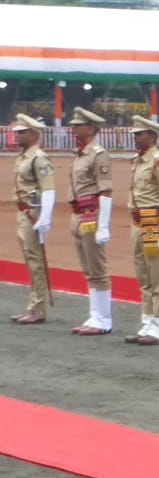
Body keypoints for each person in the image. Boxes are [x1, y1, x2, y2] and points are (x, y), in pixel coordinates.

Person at [122, 116, 159, 346]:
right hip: (137, 222)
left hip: (152, 221)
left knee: (156, 274)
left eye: (139, 134)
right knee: (143, 275)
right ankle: (147, 321)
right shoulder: (138, 160)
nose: (135, 137)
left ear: (152, 136)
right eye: (134, 134)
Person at [66, 107, 114, 336]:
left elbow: (105, 191)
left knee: (97, 268)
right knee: (87, 268)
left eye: (78, 125)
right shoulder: (80, 153)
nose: (73, 128)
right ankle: (95, 314)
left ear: (91, 128)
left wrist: (103, 225)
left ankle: (103, 318)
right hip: (77, 213)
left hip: (90, 214)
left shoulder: (98, 154)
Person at [9, 114, 54, 325]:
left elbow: (48, 189)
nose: (16, 135)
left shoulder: (39, 157)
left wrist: (44, 217)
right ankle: (34, 304)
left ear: (34, 134)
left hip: (32, 213)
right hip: (22, 211)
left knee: (35, 261)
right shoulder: (24, 156)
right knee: (29, 259)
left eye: (22, 132)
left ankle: (38, 308)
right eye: (17, 132)